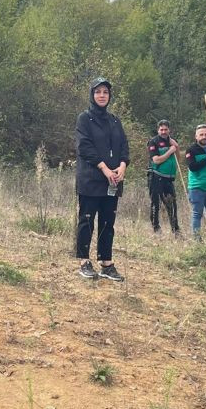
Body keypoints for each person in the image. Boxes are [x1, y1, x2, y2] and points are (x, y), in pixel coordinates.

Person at [74, 78, 129, 281]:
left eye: (105, 92)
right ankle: (84, 261)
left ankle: (106, 263)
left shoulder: (115, 121)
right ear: (92, 95)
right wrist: (104, 168)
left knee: (108, 222)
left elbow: (124, 146)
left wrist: (122, 166)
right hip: (90, 179)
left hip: (113, 181)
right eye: (98, 92)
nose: (102, 95)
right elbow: (84, 147)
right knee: (87, 220)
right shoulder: (84, 119)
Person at [146, 120, 182, 233]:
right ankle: (156, 229)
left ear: (169, 130)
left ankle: (175, 230)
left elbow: (179, 159)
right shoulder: (153, 142)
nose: (163, 132)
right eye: (161, 129)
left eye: (165, 129)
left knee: (172, 204)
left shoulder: (172, 142)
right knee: (155, 204)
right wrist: (170, 151)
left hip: (169, 178)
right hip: (156, 176)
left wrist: (176, 147)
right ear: (158, 130)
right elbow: (156, 160)